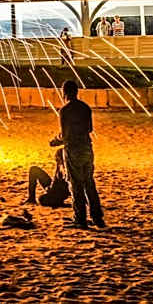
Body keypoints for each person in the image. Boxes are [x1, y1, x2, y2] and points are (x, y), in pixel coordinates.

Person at [52, 80, 105, 229]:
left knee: (75, 185)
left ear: (64, 92)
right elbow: (89, 129)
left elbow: (65, 135)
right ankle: (97, 217)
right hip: (87, 148)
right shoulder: (85, 108)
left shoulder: (65, 110)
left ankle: (79, 219)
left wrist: (55, 140)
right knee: (89, 182)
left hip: (73, 150)